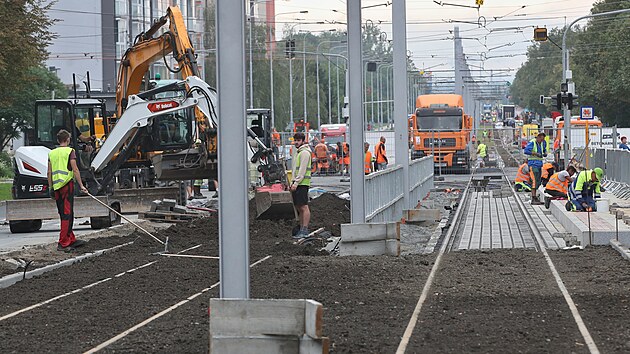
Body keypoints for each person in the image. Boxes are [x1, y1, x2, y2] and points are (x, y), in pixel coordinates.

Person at [47, 129, 88, 252]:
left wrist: (51, 188)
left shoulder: (52, 153)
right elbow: (75, 169)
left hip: (56, 187)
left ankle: (71, 238)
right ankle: (63, 243)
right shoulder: (70, 151)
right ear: (67, 139)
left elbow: (49, 172)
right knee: (66, 214)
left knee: (65, 213)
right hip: (66, 185)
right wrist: (81, 185)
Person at [290, 132, 312, 239]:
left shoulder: (304, 153)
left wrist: (296, 182)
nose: (296, 142)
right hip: (298, 183)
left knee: (303, 206)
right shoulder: (299, 152)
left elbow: (302, 170)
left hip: (302, 184)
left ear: (303, 141)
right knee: (299, 206)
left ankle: (304, 229)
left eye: (298, 140)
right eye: (295, 140)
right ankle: (301, 228)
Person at [524, 132, 548, 205]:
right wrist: (535, 154)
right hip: (533, 164)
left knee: (537, 181)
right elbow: (526, 151)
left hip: (539, 165)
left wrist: (545, 152)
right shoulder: (532, 142)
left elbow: (544, 149)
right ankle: (533, 198)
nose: (542, 140)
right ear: (537, 137)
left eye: (543, 139)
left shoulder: (543, 143)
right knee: (534, 181)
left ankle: (535, 197)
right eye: (541, 138)